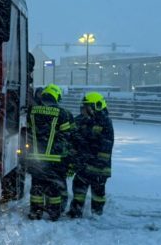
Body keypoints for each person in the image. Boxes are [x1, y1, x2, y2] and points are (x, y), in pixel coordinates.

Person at [25, 83, 74, 221]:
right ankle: (54, 213)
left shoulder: (32, 111)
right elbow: (67, 136)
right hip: (54, 159)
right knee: (54, 187)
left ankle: (35, 212)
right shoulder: (62, 114)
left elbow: (27, 130)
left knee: (37, 186)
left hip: (35, 157)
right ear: (56, 97)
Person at [69, 91, 114, 217]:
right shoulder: (81, 120)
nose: (82, 109)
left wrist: (97, 162)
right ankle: (75, 212)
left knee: (98, 193)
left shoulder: (105, 122)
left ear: (96, 106)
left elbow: (106, 145)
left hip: (99, 168)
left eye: (86, 106)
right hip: (84, 165)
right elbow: (73, 136)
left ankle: (97, 214)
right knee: (78, 190)